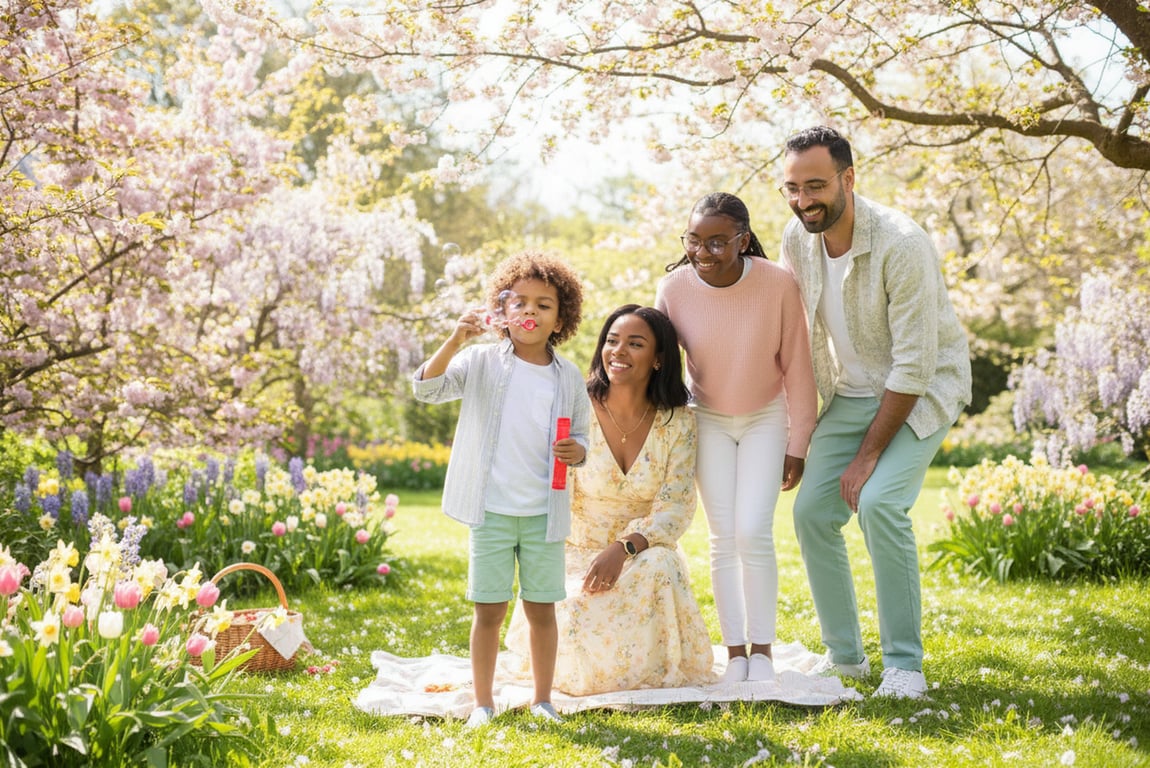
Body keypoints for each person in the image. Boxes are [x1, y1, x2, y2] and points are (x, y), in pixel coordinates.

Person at [778, 126, 972, 699]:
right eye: (791, 187)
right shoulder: (797, 237)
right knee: (813, 514)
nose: (803, 199)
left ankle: (905, 666)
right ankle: (846, 659)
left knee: (881, 505)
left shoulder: (902, 243)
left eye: (815, 185)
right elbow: (790, 328)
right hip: (851, 392)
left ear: (848, 178)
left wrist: (866, 459)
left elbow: (913, 367)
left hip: (921, 389)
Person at [412, 251, 590, 727]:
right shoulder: (480, 362)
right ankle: (483, 704)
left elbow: (582, 437)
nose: (530, 312)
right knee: (488, 610)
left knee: (541, 610)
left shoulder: (568, 377)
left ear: (560, 318)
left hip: (543, 514)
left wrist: (579, 451)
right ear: (502, 312)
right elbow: (427, 390)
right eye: (520, 303)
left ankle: (543, 700)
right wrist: (455, 339)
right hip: (489, 510)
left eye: (544, 305)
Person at [504, 305, 716, 695]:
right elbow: (548, 485)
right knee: (573, 612)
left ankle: (647, 667)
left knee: (661, 564)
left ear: (658, 359)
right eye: (612, 341)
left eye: (635, 344)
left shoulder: (679, 422)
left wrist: (624, 547)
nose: (618, 351)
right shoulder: (572, 406)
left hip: (641, 553)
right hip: (573, 548)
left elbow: (677, 505)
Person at [655, 193, 818, 684]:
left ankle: (763, 652)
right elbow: (660, 367)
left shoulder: (777, 284)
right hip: (706, 418)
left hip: (767, 417)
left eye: (718, 242)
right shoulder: (674, 288)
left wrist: (799, 442)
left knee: (754, 531)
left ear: (743, 240)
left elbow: (798, 367)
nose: (703, 252)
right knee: (724, 539)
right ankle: (736, 656)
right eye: (694, 241)